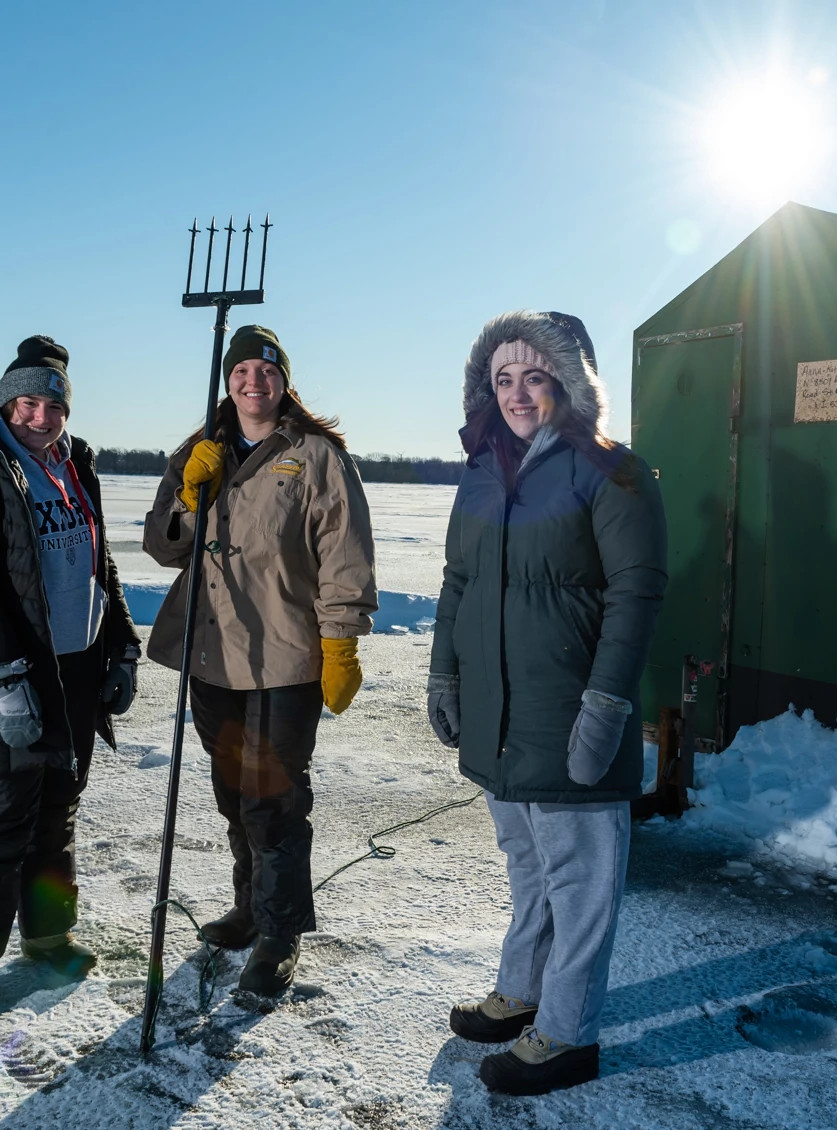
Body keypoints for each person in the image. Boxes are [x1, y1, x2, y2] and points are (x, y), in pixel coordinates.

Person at [429, 310, 667, 1095]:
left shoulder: (614, 473)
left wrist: (604, 707)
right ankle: (521, 992)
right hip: (502, 717)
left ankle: (566, 1034)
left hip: (569, 713)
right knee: (527, 868)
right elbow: (457, 584)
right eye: (502, 378)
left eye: (535, 375)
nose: (519, 393)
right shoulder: (480, 471)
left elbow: (636, 595)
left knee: (581, 883)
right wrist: (446, 675)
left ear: (570, 381)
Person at [142, 324, 376, 996]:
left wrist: (340, 640)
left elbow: (345, 552)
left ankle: (278, 934)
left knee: (273, 801)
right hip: (215, 655)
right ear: (228, 381)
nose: (253, 382)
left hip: (286, 658)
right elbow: (165, 546)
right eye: (241, 371)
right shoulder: (199, 450)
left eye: (265, 372)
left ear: (283, 381)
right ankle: (248, 909)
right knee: (232, 796)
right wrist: (191, 493)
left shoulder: (314, 456)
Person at [0, 334, 140, 1026]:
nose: (40, 416)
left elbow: (95, 561)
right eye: (26, 401)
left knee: (57, 808)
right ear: (5, 400)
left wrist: (123, 645)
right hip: (8, 670)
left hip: (73, 666)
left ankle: (48, 939)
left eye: (51, 404)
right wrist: (2, 674)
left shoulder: (73, 461)